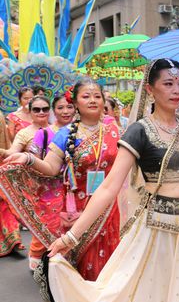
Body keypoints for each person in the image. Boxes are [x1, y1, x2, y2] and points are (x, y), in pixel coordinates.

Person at [28, 59, 179, 302]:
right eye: (168, 83)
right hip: (155, 232)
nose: (176, 90)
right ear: (150, 89)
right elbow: (109, 187)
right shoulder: (139, 131)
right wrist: (71, 237)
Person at [1, 79, 121, 281]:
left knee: (110, 267)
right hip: (78, 209)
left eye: (97, 96)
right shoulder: (65, 134)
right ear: (75, 102)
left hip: (109, 208)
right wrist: (28, 158)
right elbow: (50, 168)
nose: (92, 100)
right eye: (86, 96)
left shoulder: (115, 131)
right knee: (82, 267)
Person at [0, 96, 55, 266]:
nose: (41, 112)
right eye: (36, 109)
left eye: (45, 109)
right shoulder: (25, 133)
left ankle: (55, 257)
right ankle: (38, 255)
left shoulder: (59, 130)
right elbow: (13, 151)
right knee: (43, 222)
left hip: (58, 183)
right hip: (36, 186)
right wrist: (5, 152)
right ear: (30, 112)